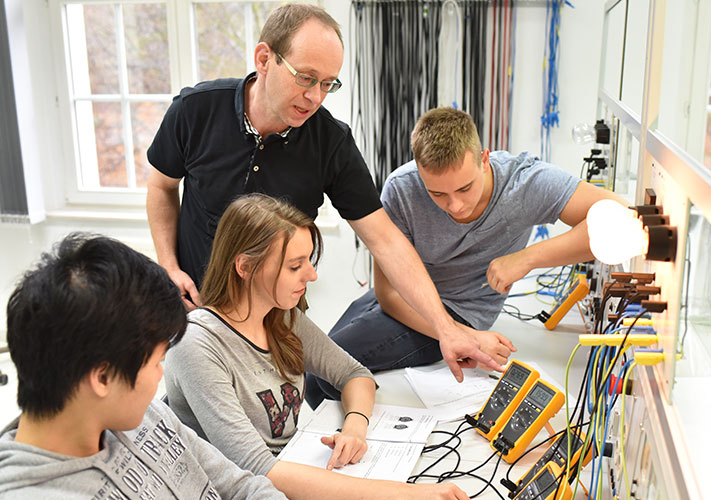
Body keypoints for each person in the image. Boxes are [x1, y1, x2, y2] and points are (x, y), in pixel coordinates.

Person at [146, 4, 507, 382]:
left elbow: (386, 241)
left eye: (328, 84)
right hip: (195, 310)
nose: (316, 97)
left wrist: (447, 329)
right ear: (265, 58)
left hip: (275, 321)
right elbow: (161, 187)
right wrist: (169, 266)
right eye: (306, 78)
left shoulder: (331, 142)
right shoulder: (195, 110)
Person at [305, 107, 623, 408]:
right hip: (405, 301)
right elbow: (388, 294)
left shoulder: (525, 183)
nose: (455, 205)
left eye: (465, 188)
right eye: (438, 194)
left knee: (325, 372)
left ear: (484, 160)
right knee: (315, 366)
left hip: (460, 311)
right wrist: (466, 338)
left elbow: (620, 217)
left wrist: (527, 259)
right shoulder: (402, 188)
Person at [162, 194, 468, 500]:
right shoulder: (196, 345)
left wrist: (355, 427)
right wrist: (406, 494)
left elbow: (355, 374)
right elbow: (258, 469)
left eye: (309, 260)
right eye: (295, 266)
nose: (312, 274)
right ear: (245, 266)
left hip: (292, 470)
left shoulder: (282, 317)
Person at [0, 233, 286, 500]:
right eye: (155, 362)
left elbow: (245, 486)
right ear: (102, 378)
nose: (161, 374)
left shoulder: (142, 413)